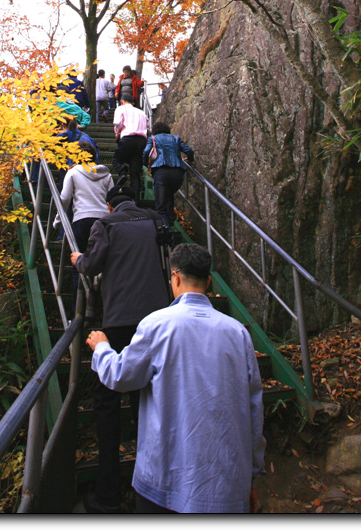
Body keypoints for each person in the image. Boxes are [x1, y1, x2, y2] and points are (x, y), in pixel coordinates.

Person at [86, 242, 266, 514]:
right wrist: (252, 476)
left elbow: (120, 375)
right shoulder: (238, 333)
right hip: (227, 485)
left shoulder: (158, 325)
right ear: (207, 281)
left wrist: (101, 347)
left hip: (164, 484)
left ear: (175, 277)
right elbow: (254, 410)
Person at [71, 185, 171, 514]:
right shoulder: (156, 221)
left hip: (117, 321)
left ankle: (108, 495)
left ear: (110, 206)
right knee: (146, 400)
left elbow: (92, 265)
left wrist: (77, 259)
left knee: (107, 402)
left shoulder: (107, 225)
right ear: (133, 201)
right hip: (157, 321)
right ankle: (153, 489)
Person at [56, 142, 113, 303]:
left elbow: (65, 198)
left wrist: (58, 220)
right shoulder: (106, 175)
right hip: (103, 222)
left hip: (82, 219)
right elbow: (112, 200)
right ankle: (102, 300)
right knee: (105, 263)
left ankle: (79, 313)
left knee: (78, 264)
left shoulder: (73, 172)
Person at [143, 122, 194, 229]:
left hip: (161, 173)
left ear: (155, 131)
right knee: (168, 194)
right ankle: (170, 217)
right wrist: (190, 160)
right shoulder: (175, 139)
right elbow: (189, 150)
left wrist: (145, 164)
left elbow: (146, 152)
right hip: (177, 173)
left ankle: (165, 229)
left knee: (160, 208)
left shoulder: (153, 139)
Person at [112, 93, 150, 204]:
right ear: (132, 103)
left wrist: (118, 133)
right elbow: (148, 127)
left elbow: (117, 123)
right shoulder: (141, 112)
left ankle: (122, 172)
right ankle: (136, 201)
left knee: (116, 160)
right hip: (141, 141)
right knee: (135, 173)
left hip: (127, 138)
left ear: (122, 101)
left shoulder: (121, 108)